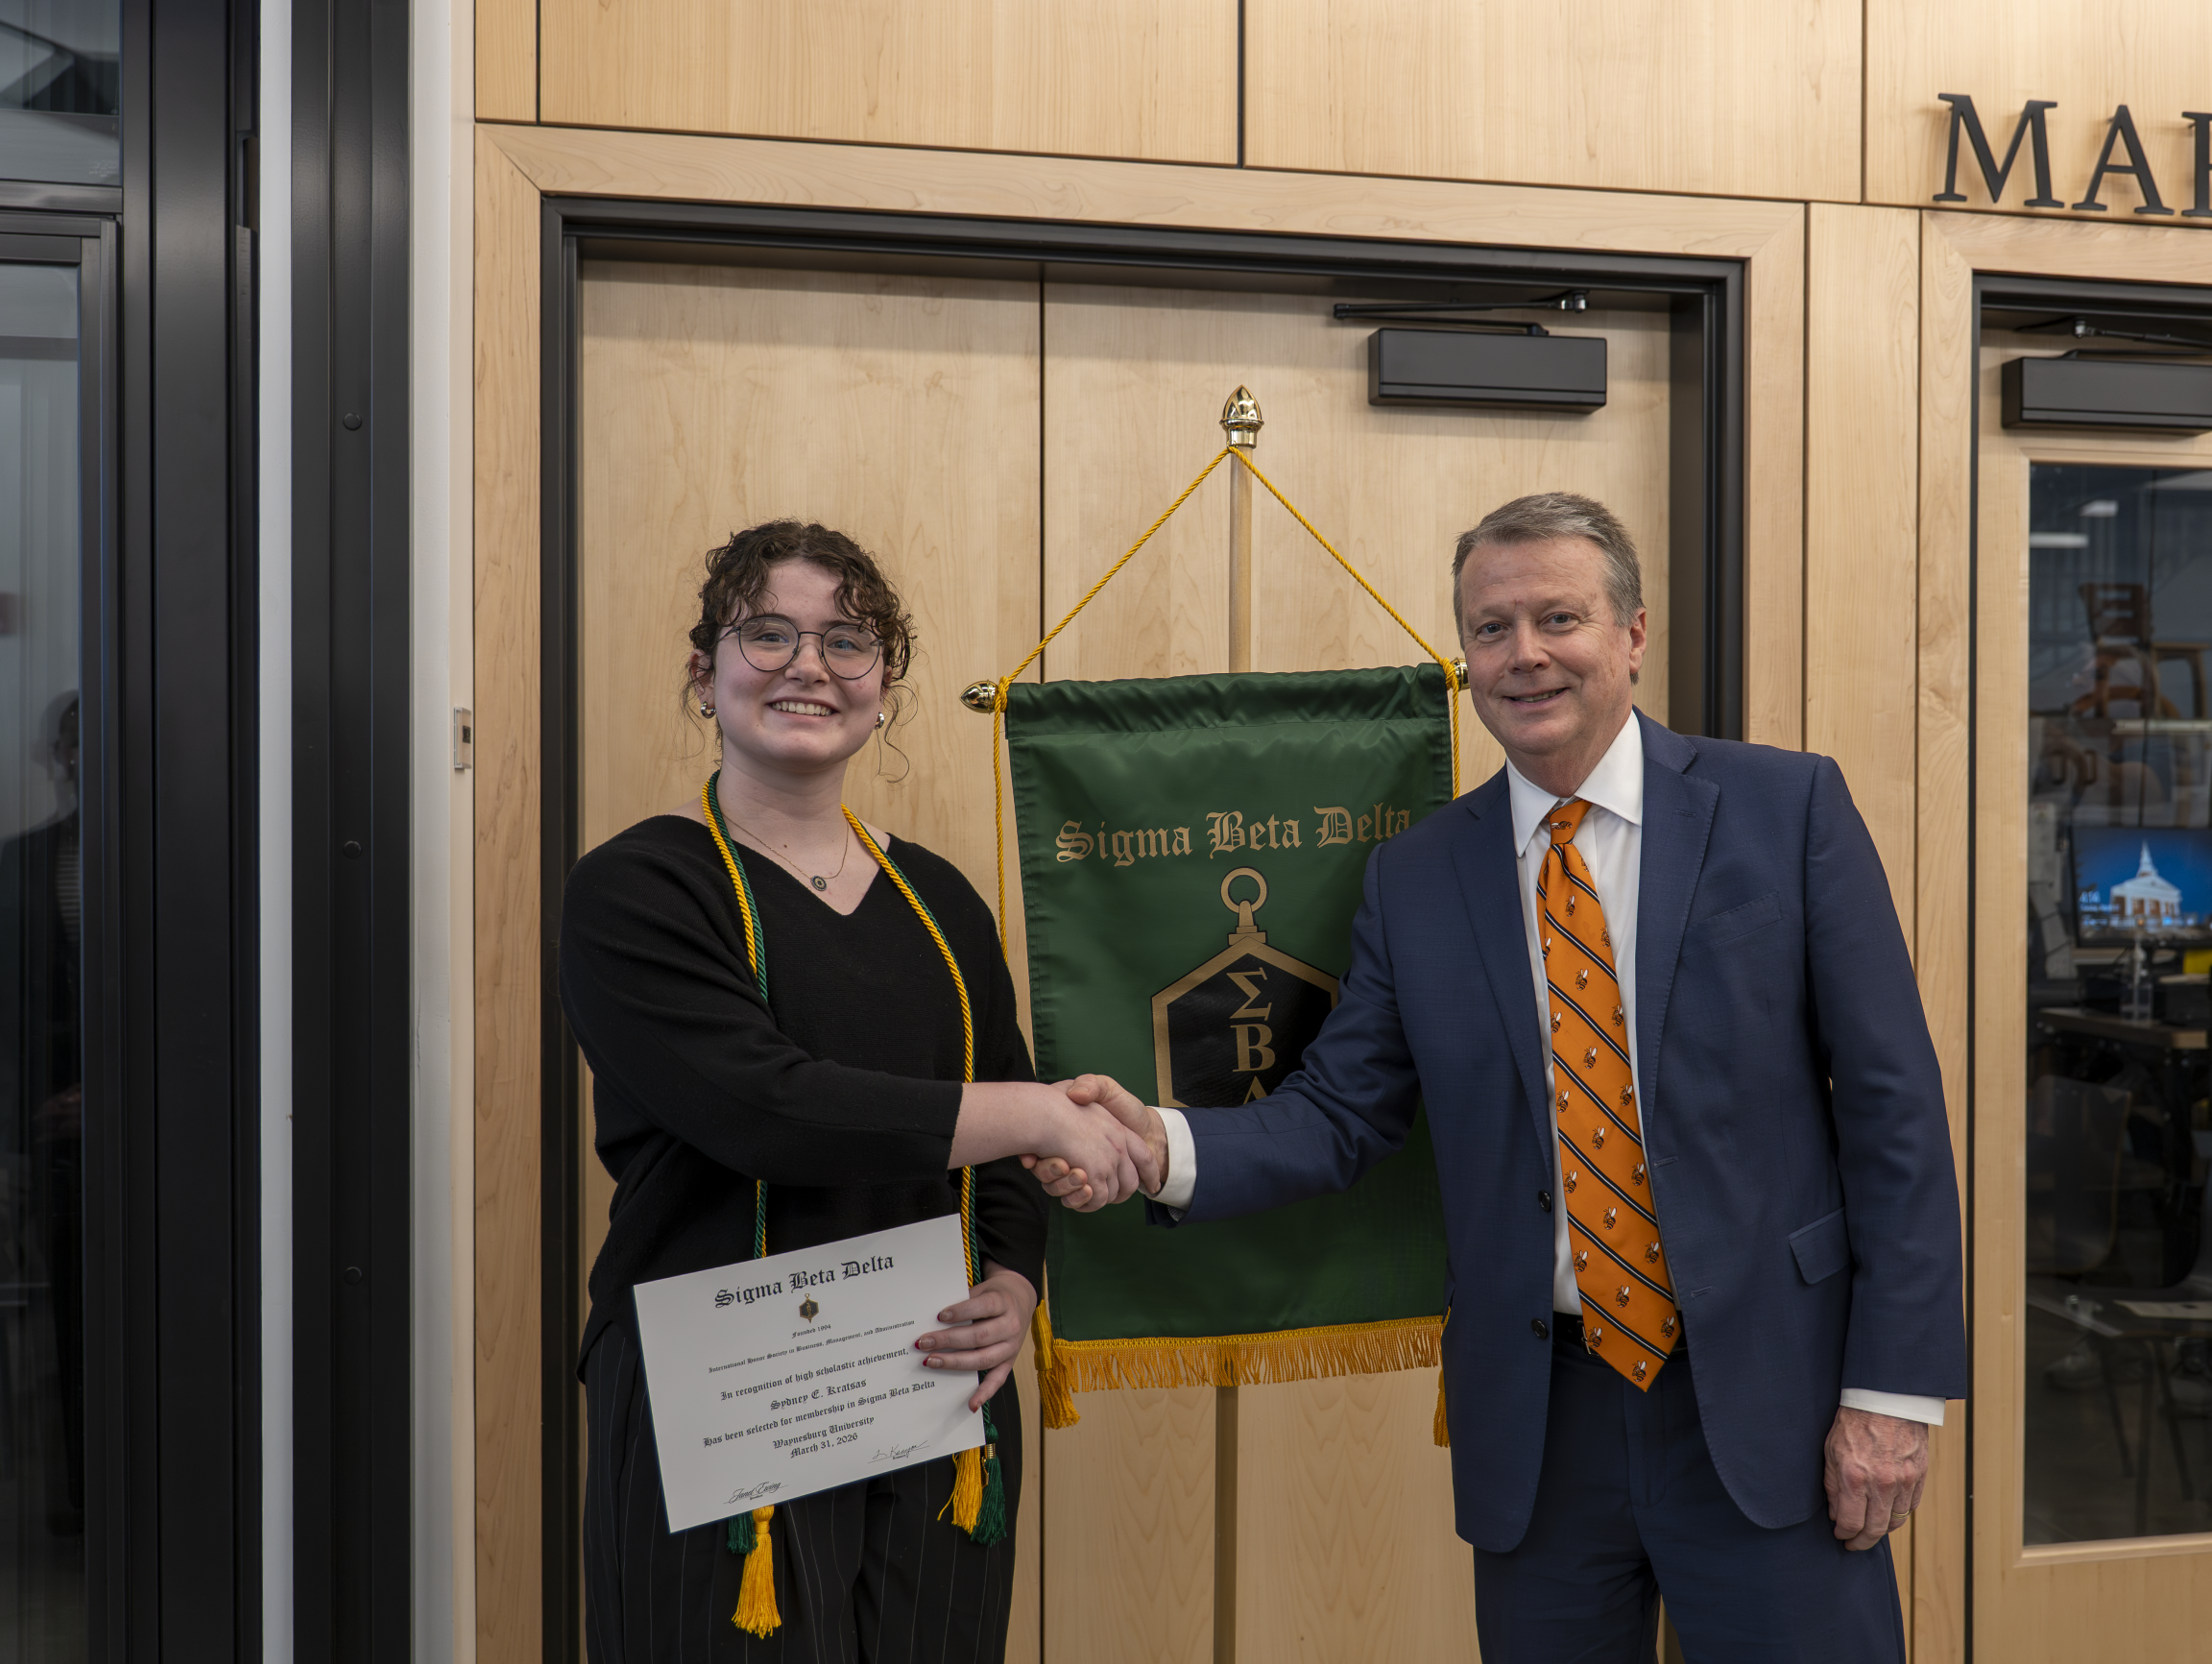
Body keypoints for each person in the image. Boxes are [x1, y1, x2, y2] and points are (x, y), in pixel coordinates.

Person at [1046, 494, 1965, 1664]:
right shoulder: (1417, 875)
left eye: (1557, 617)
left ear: (1631, 633)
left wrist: (1892, 1389)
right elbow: (1338, 1113)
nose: (1522, 653)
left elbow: (1894, 1108)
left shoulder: (1783, 810)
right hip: (1544, 1423)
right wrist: (1155, 1145)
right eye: (1490, 628)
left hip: (1771, 1405)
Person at [559, 520, 1146, 1664]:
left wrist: (1017, 1280)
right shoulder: (638, 884)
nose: (808, 666)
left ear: (886, 682)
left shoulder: (935, 895)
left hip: (928, 1379)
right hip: (719, 1397)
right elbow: (766, 1108)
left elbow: (1004, 1128)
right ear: (704, 669)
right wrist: (1033, 1115)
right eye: (766, 632)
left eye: (846, 641)